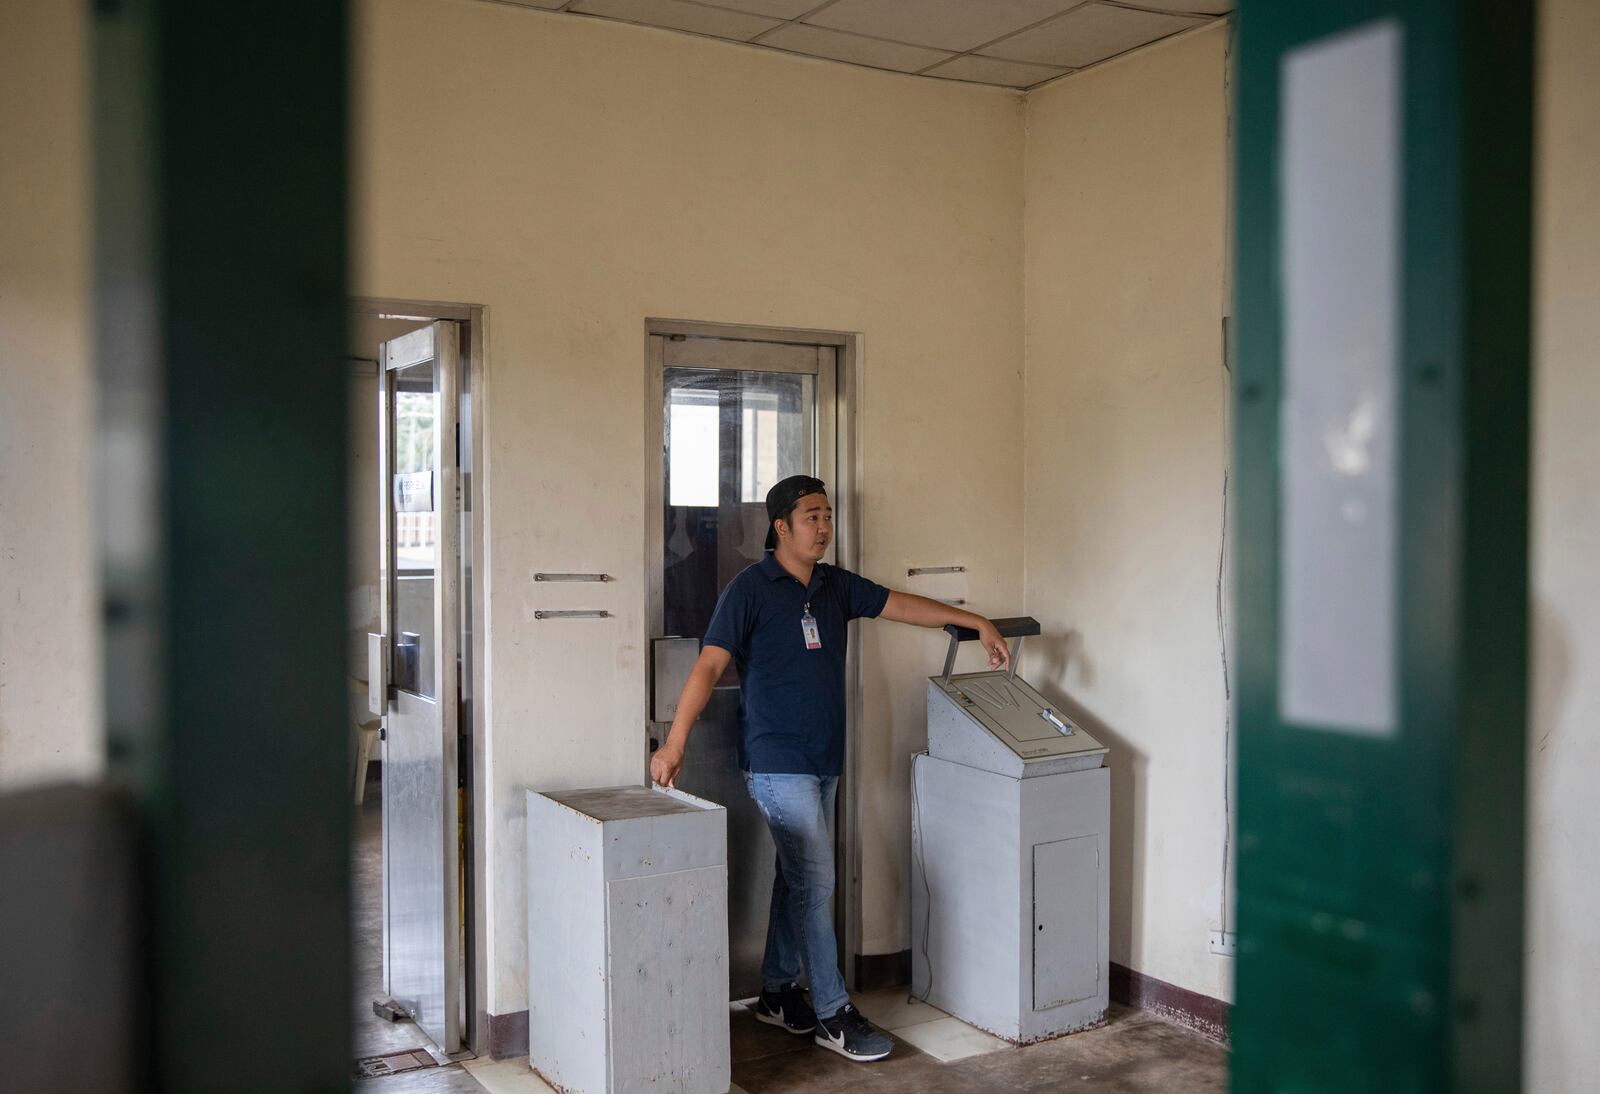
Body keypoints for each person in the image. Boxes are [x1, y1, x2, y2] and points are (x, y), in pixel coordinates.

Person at [650, 474, 1011, 1063]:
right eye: (811, 516)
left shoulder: (833, 587)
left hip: (823, 760)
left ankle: (773, 991)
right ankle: (833, 1013)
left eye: (828, 515)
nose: (823, 527)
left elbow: (900, 603)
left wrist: (977, 622)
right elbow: (708, 667)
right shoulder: (748, 590)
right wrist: (675, 743)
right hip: (775, 761)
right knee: (817, 882)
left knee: (797, 878)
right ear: (781, 527)